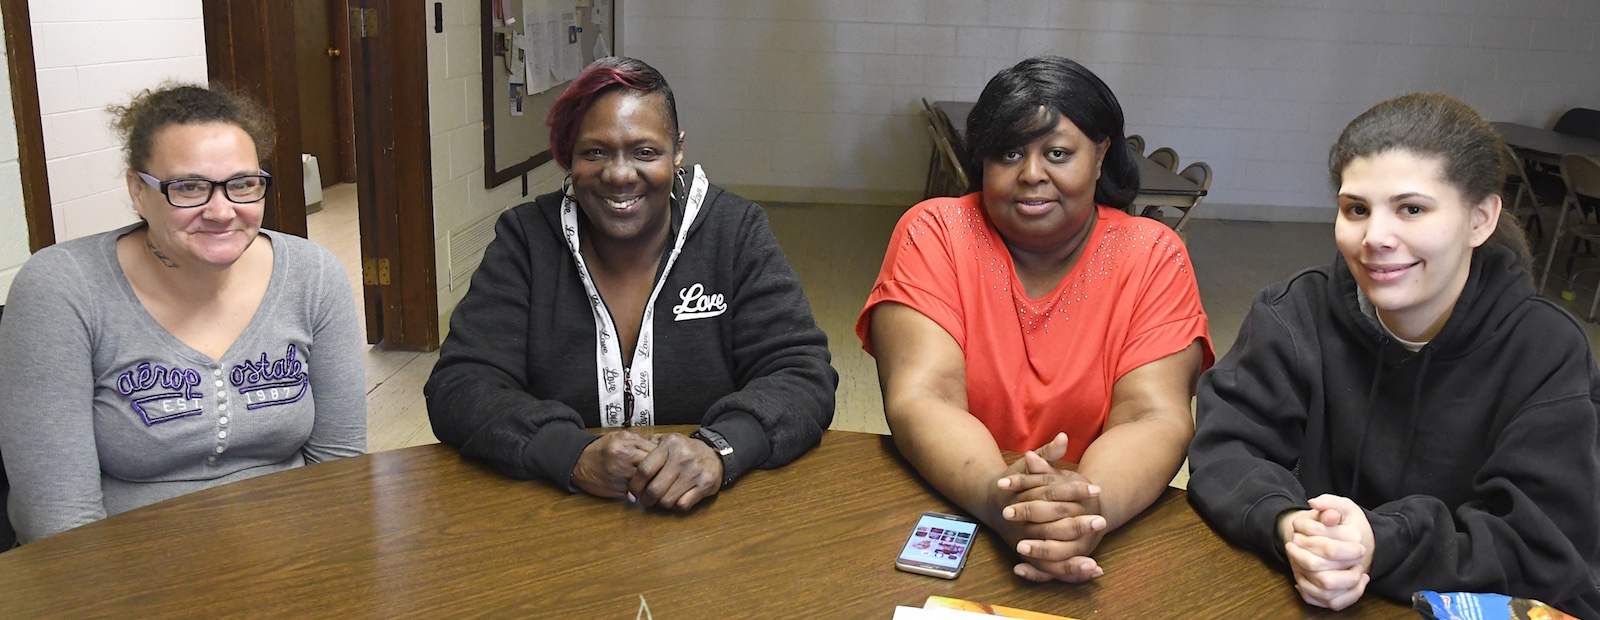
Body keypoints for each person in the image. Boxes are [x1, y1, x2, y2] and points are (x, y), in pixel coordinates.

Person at [1188, 93, 1600, 617]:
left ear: (1481, 219)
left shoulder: (1546, 350)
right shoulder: (1296, 312)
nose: (1375, 238)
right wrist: (1293, 527)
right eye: (1356, 210)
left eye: (1412, 209)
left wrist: (1380, 543)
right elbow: (1225, 453)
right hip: (1329, 594)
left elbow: (1547, 546)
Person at [857, 56, 1213, 583]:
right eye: (1008, 153)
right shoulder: (935, 232)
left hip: (1100, 533)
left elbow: (1152, 417)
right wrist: (1001, 496)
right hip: (956, 501)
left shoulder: (1152, 254)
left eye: (1057, 153)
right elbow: (924, 397)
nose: (1030, 174)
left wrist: (1081, 513)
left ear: (1101, 155)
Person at [425, 57, 836, 511]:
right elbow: (460, 385)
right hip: (556, 515)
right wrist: (569, 452)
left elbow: (803, 375)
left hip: (711, 517)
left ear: (677, 150)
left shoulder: (733, 232)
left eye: (645, 152)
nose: (619, 175)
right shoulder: (526, 240)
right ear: (568, 155)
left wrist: (721, 448)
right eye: (594, 152)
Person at [0, 84, 366, 544]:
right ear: (138, 191)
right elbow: (57, 515)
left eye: (243, 184)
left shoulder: (312, 276)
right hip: (124, 573)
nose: (221, 210)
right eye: (189, 187)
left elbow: (341, 465)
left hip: (287, 560)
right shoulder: (63, 288)